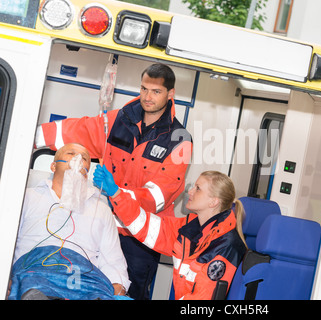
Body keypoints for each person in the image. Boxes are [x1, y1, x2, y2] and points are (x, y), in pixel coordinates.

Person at [34, 63, 192, 299]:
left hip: (140, 235)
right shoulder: (118, 120)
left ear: (171, 94)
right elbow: (77, 131)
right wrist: (29, 134)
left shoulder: (181, 141)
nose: (148, 97)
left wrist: (116, 193)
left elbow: (158, 197)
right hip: (104, 226)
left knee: (132, 292)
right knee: (91, 287)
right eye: (144, 89)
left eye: (156, 92)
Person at [94, 169, 247, 300]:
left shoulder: (225, 243)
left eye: (198, 188)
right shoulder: (190, 227)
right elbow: (146, 225)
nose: (190, 191)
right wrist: (116, 194)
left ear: (213, 202)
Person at [9, 143, 130, 300]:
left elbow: (113, 260)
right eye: (70, 153)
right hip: (35, 272)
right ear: (53, 166)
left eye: (84, 157)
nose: (78, 158)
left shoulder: (101, 210)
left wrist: (116, 288)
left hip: (85, 280)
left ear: (86, 173)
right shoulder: (27, 197)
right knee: (31, 288)